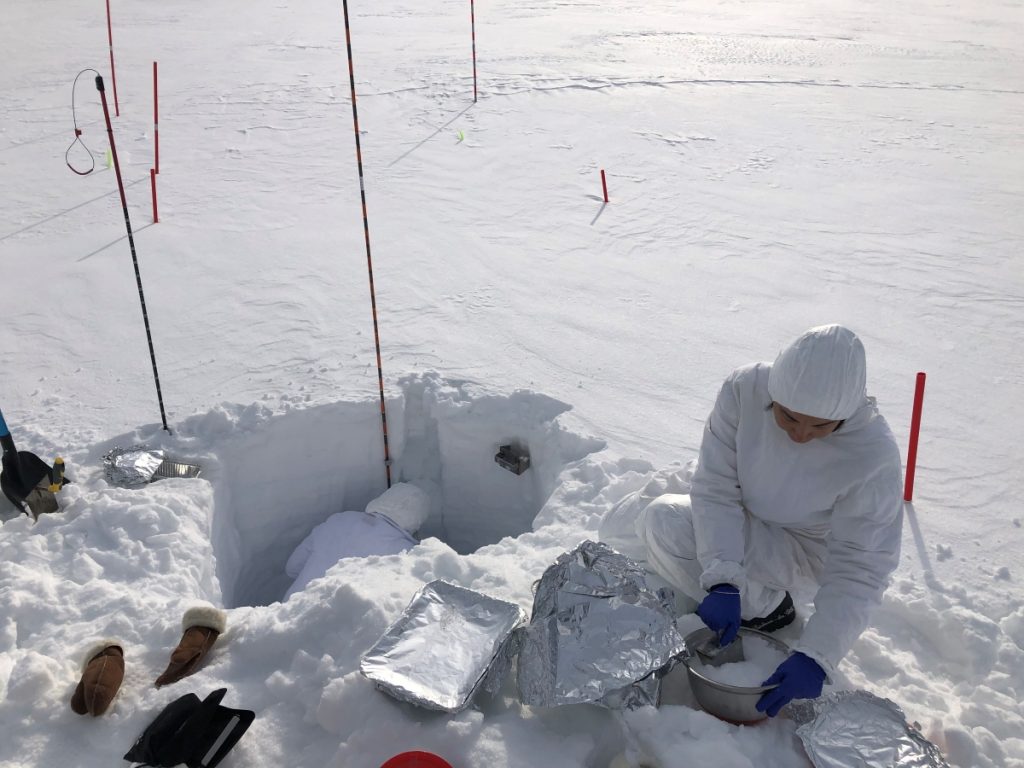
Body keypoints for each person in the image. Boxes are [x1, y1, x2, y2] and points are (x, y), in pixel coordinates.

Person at [599, 324, 903, 716]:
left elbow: (861, 567)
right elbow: (716, 486)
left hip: (798, 546)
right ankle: (722, 585)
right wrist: (724, 577)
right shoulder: (745, 389)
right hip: (742, 498)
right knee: (617, 528)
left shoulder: (872, 456)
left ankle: (770, 607)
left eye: (821, 427)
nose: (800, 435)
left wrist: (819, 654)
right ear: (773, 394)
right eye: (788, 417)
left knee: (662, 522)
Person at [284, 482, 430, 600]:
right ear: (416, 520)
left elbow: (292, 567)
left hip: (285, 614)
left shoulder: (338, 520)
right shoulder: (405, 552)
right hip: (336, 625)